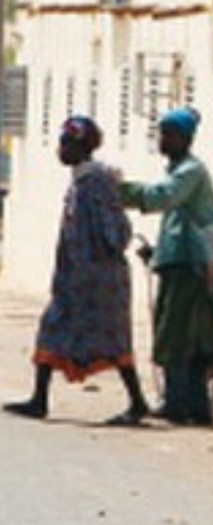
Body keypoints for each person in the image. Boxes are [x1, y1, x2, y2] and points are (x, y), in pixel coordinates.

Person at [5, 117, 149, 425]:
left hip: (97, 280)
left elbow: (114, 232)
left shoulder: (94, 183)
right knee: (65, 330)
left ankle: (135, 402)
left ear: (81, 147)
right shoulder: (84, 181)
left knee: (104, 337)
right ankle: (40, 398)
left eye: (66, 143)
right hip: (78, 279)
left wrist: (92, 263)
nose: (60, 149)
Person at [120, 107, 213, 425]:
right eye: (162, 134)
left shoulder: (190, 172)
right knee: (185, 337)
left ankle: (178, 403)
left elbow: (163, 197)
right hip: (179, 262)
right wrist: (156, 252)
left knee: (176, 337)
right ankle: (191, 404)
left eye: (170, 135)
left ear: (186, 139)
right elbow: (177, 223)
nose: (163, 140)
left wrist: (119, 190)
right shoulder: (179, 170)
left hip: (191, 266)